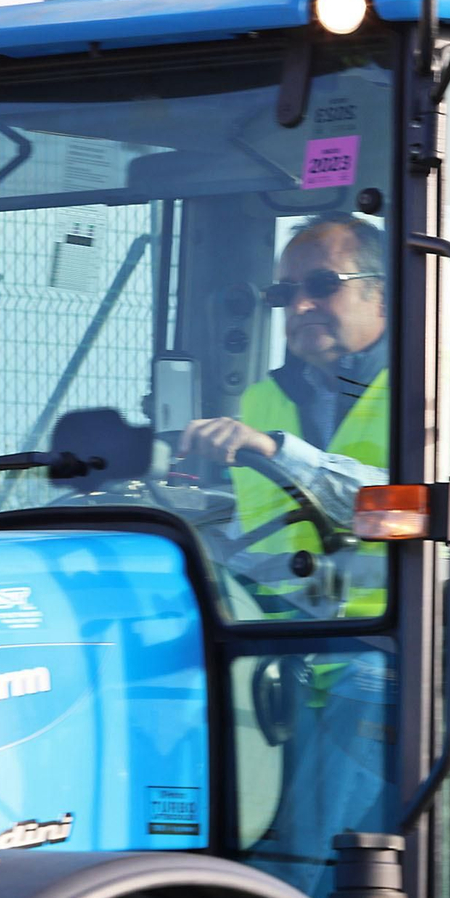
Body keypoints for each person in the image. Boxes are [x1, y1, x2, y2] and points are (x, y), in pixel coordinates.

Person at [179, 211, 389, 612]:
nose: (301, 304)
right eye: (285, 294)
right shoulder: (262, 402)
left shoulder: (436, 392)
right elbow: (252, 535)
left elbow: (407, 506)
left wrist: (279, 452)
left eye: (323, 285)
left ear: (381, 297)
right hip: (281, 634)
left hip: (404, 636)